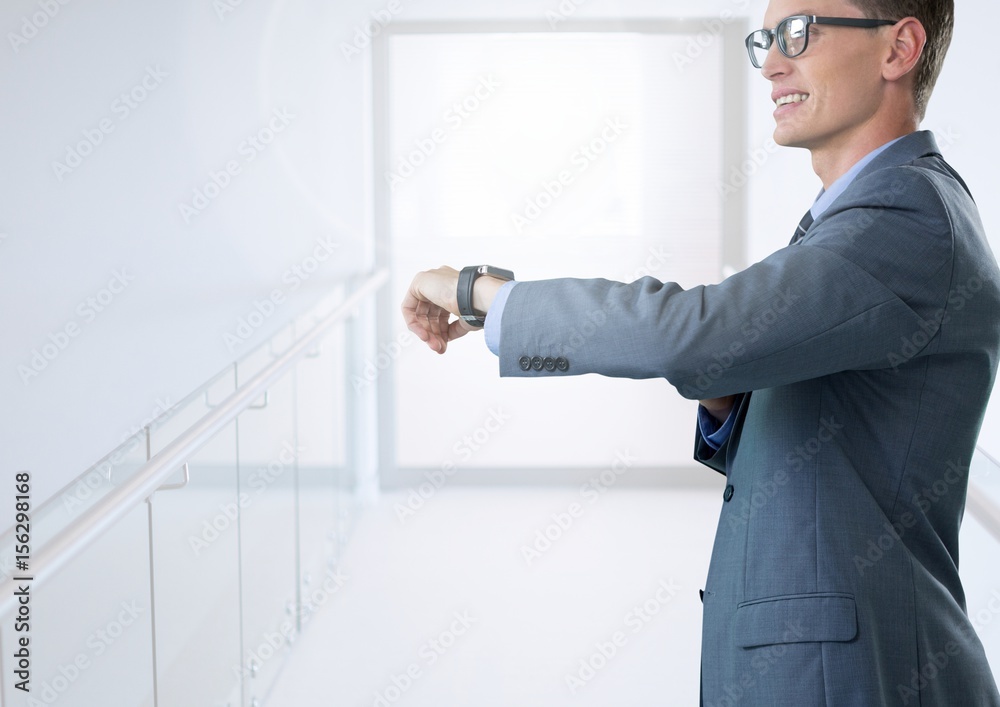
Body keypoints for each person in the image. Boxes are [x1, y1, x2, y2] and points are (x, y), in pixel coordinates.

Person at [401, 0, 1000, 703]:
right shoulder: (860, 216)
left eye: (799, 33)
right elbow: (825, 414)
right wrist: (727, 391)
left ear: (898, 49)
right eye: (766, 40)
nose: (771, 64)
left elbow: (693, 330)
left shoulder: (903, 216)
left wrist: (480, 293)